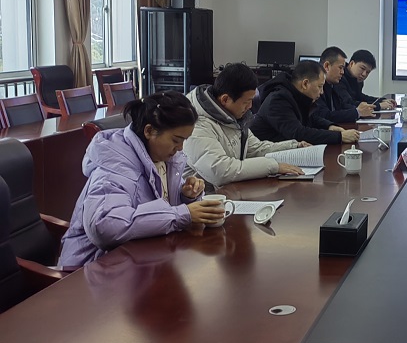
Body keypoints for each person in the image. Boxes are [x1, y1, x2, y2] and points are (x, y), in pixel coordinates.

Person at [58, 91, 225, 267]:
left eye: (184, 140)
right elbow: (105, 226)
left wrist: (185, 196)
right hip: (91, 268)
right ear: (149, 131)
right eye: (176, 140)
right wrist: (181, 214)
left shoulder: (160, 159)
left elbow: (157, 209)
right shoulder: (113, 170)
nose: (180, 148)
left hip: (133, 260)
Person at [184, 62, 306, 190]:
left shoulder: (233, 118)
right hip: (205, 197)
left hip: (232, 192)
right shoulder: (196, 124)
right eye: (246, 102)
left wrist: (294, 146)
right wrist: (273, 166)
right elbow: (220, 171)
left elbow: (256, 149)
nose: (250, 106)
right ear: (225, 99)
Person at [251, 60, 360, 146]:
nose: (322, 92)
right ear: (305, 84)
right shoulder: (278, 100)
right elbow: (298, 133)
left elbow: (311, 118)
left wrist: (330, 126)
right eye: (320, 86)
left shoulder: (296, 94)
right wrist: (339, 137)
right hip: (266, 155)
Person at [310, 46, 376, 127]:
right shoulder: (315, 87)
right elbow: (324, 115)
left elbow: (343, 105)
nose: (342, 72)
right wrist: (357, 112)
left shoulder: (333, 85)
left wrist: (361, 109)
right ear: (327, 66)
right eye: (340, 68)